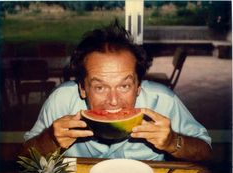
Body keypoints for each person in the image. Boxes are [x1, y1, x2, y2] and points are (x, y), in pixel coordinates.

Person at [21, 20, 212, 161]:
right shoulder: (61, 101)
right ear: (82, 88)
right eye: (100, 87)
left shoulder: (163, 101)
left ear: (138, 87)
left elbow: (206, 152)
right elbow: (23, 156)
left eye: (124, 86)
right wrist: (50, 140)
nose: (113, 100)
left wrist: (173, 142)